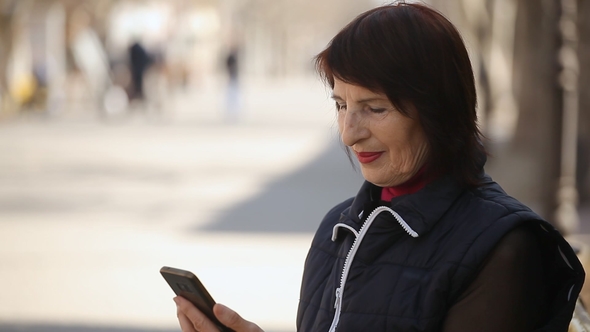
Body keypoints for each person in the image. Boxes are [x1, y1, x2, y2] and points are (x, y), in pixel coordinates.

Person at [173, 3, 585, 331]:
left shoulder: (504, 247)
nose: (350, 134)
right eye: (341, 105)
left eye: (374, 108)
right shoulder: (338, 229)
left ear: (438, 112)